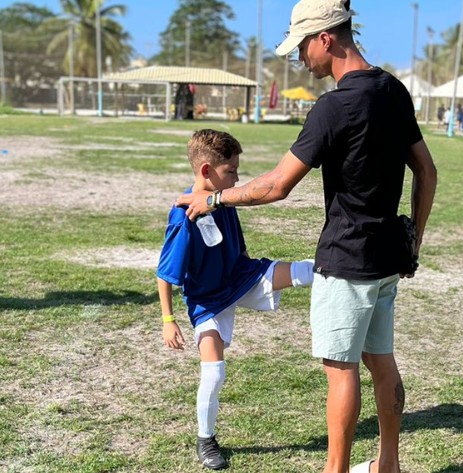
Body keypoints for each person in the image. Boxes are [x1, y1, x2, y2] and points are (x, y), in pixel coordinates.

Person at [175, 1, 438, 472]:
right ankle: (389, 465)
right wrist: (413, 239)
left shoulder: (333, 106)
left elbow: (276, 185)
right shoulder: (393, 90)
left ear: (325, 39)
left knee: (341, 372)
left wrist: (214, 201)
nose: (300, 60)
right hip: (386, 259)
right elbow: (427, 170)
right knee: (382, 362)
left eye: (301, 48)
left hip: (345, 261)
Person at [156, 129, 314, 470]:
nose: (238, 176)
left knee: (310, 271)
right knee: (213, 373)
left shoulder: (223, 198)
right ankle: (205, 439)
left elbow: (237, 245)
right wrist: (168, 321)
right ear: (206, 171)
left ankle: (354, 269)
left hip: (241, 276)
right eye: (231, 170)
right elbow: (165, 273)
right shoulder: (185, 215)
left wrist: (249, 266)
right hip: (207, 300)